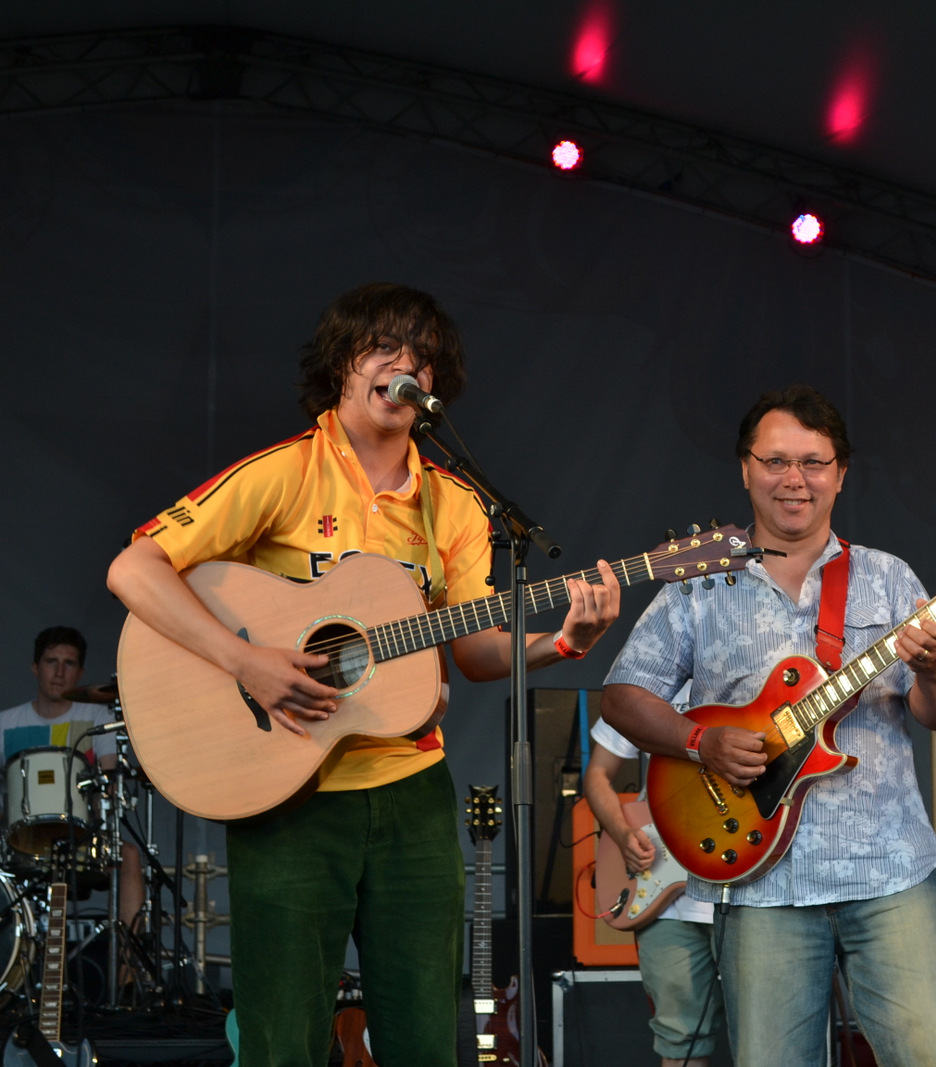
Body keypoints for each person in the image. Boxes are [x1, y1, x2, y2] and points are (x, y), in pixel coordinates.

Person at [105, 282, 620, 1067]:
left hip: (412, 789)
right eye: (383, 347)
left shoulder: (454, 502)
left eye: (423, 356)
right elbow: (134, 568)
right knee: (283, 1041)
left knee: (423, 1037)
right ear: (341, 362)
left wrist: (563, 642)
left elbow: (475, 650)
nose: (405, 365)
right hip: (289, 794)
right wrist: (247, 660)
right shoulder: (284, 472)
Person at [599, 384, 936, 1067]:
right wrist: (701, 742)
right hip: (759, 880)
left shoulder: (889, 578)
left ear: (841, 473)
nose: (794, 479)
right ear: (746, 469)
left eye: (813, 462)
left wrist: (935, 668)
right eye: (775, 461)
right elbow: (623, 697)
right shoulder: (697, 583)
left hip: (887, 868)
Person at [584, 708, 725, 1067]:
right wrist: (622, 832)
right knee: (678, 1041)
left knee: (767, 1037)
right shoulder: (647, 685)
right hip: (666, 897)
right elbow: (598, 772)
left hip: (750, 892)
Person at [0, 625, 144, 928]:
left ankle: (126, 955)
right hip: (21, 839)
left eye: (69, 663)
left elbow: (110, 777)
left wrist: (104, 798)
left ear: (80, 673)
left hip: (81, 837)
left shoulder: (98, 718)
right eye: (51, 661)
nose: (59, 672)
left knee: (129, 855)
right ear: (35, 667)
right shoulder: (5, 723)